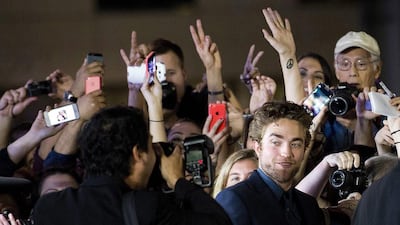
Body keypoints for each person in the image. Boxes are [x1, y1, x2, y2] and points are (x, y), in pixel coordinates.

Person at [31, 106, 158, 225]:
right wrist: (176, 180)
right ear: (138, 154)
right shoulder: (151, 208)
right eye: (152, 146)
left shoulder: (48, 209)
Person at [216, 101, 325, 225]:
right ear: (258, 147)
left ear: (305, 150)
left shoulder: (309, 205)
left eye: (295, 144)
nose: (286, 153)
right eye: (276, 142)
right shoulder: (235, 198)